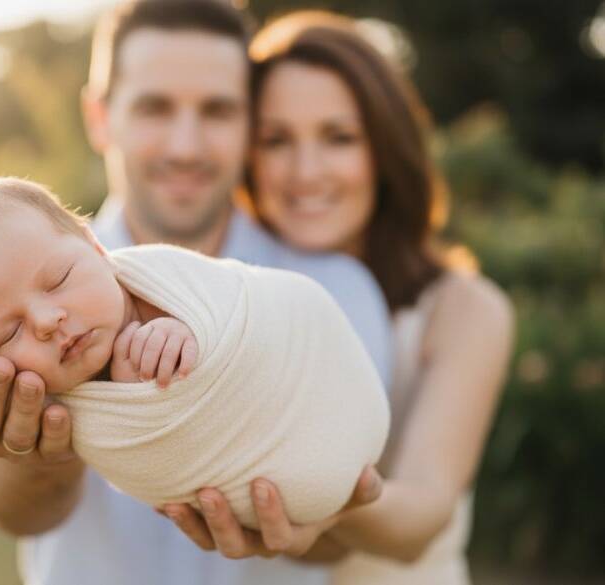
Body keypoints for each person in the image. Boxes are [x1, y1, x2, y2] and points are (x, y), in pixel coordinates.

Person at [0, 2, 391, 584]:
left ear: (248, 124)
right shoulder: (4, 283)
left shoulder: (330, 288)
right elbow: (9, 504)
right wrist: (30, 453)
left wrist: (317, 520)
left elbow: (348, 489)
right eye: (155, 108)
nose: (186, 146)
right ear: (100, 116)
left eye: (217, 110)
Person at [165, 10, 515, 584]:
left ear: (385, 147)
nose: (306, 172)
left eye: (339, 137)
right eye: (277, 140)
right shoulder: (230, 293)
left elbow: (423, 514)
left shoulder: (463, 310)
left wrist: (321, 498)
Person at [0, 176, 388, 531]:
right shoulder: (54, 409)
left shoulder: (162, 279)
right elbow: (129, 466)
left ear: (96, 247)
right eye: (8, 334)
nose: (47, 321)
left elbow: (243, 306)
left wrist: (188, 335)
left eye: (58, 281)